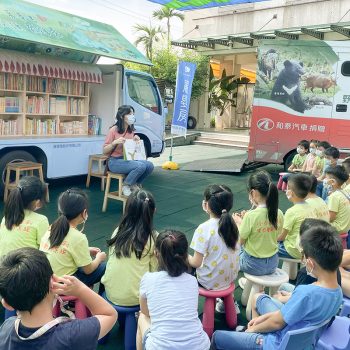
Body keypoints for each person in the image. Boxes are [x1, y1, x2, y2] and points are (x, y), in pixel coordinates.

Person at [210, 221, 343, 350]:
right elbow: (282, 316)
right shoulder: (338, 293)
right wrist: (262, 320)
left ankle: (254, 336)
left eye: (303, 255)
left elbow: (277, 323)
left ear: (310, 263)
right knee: (260, 299)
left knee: (217, 337)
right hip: (303, 343)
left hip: (277, 344)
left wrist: (253, 329)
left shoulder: (306, 293)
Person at [0, 247, 117, 349]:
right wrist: (81, 289)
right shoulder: (74, 335)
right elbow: (109, 315)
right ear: (52, 282)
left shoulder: (6, 327)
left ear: (6, 304)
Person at [136, 230, 210, 350]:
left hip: (160, 347)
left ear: (156, 254)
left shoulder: (148, 279)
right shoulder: (192, 281)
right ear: (186, 255)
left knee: (142, 317)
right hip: (199, 345)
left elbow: (145, 311)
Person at [102, 189, 158, 307]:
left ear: (127, 210)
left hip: (111, 293)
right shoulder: (152, 237)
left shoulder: (117, 231)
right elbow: (154, 270)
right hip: (136, 299)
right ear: (153, 212)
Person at [40, 189, 106, 287]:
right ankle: (101, 299)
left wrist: (86, 250)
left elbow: (61, 248)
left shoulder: (52, 227)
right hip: (65, 283)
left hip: (47, 279)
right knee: (106, 267)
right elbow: (88, 270)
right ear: (84, 212)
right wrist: (99, 258)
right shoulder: (79, 237)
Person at [188, 184, 240, 292]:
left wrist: (185, 256)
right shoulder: (234, 225)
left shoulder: (203, 228)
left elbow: (196, 263)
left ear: (206, 205)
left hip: (209, 281)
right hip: (230, 278)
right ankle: (228, 301)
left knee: (186, 266)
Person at [233, 171, 284, 276]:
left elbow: (240, 241)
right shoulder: (278, 213)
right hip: (272, 264)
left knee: (234, 247)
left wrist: (238, 223)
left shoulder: (251, 216)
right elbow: (277, 235)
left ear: (253, 193)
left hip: (252, 265)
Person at [103, 105, 154, 197]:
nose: (132, 116)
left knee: (149, 165)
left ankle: (135, 183)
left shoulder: (130, 131)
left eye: (133, 114)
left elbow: (131, 149)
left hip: (127, 160)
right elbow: (104, 151)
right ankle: (125, 185)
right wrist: (114, 143)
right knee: (140, 166)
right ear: (122, 116)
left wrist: (135, 140)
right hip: (114, 161)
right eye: (130, 114)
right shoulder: (113, 130)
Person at [0, 176, 49, 258]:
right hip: (26, 267)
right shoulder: (41, 220)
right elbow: (45, 248)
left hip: (3, 266)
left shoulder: (6, 217)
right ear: (37, 202)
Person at [278, 174, 316, 259]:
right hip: (308, 249)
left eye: (287, 188)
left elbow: (281, 237)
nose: (286, 190)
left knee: (270, 246)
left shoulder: (292, 212)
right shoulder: (312, 207)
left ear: (291, 193)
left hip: (293, 250)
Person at [324, 165, 350, 234]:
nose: (325, 180)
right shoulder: (344, 192)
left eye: (326, 178)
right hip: (346, 227)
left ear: (333, 182)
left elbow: (330, 218)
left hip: (337, 228)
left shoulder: (334, 196)